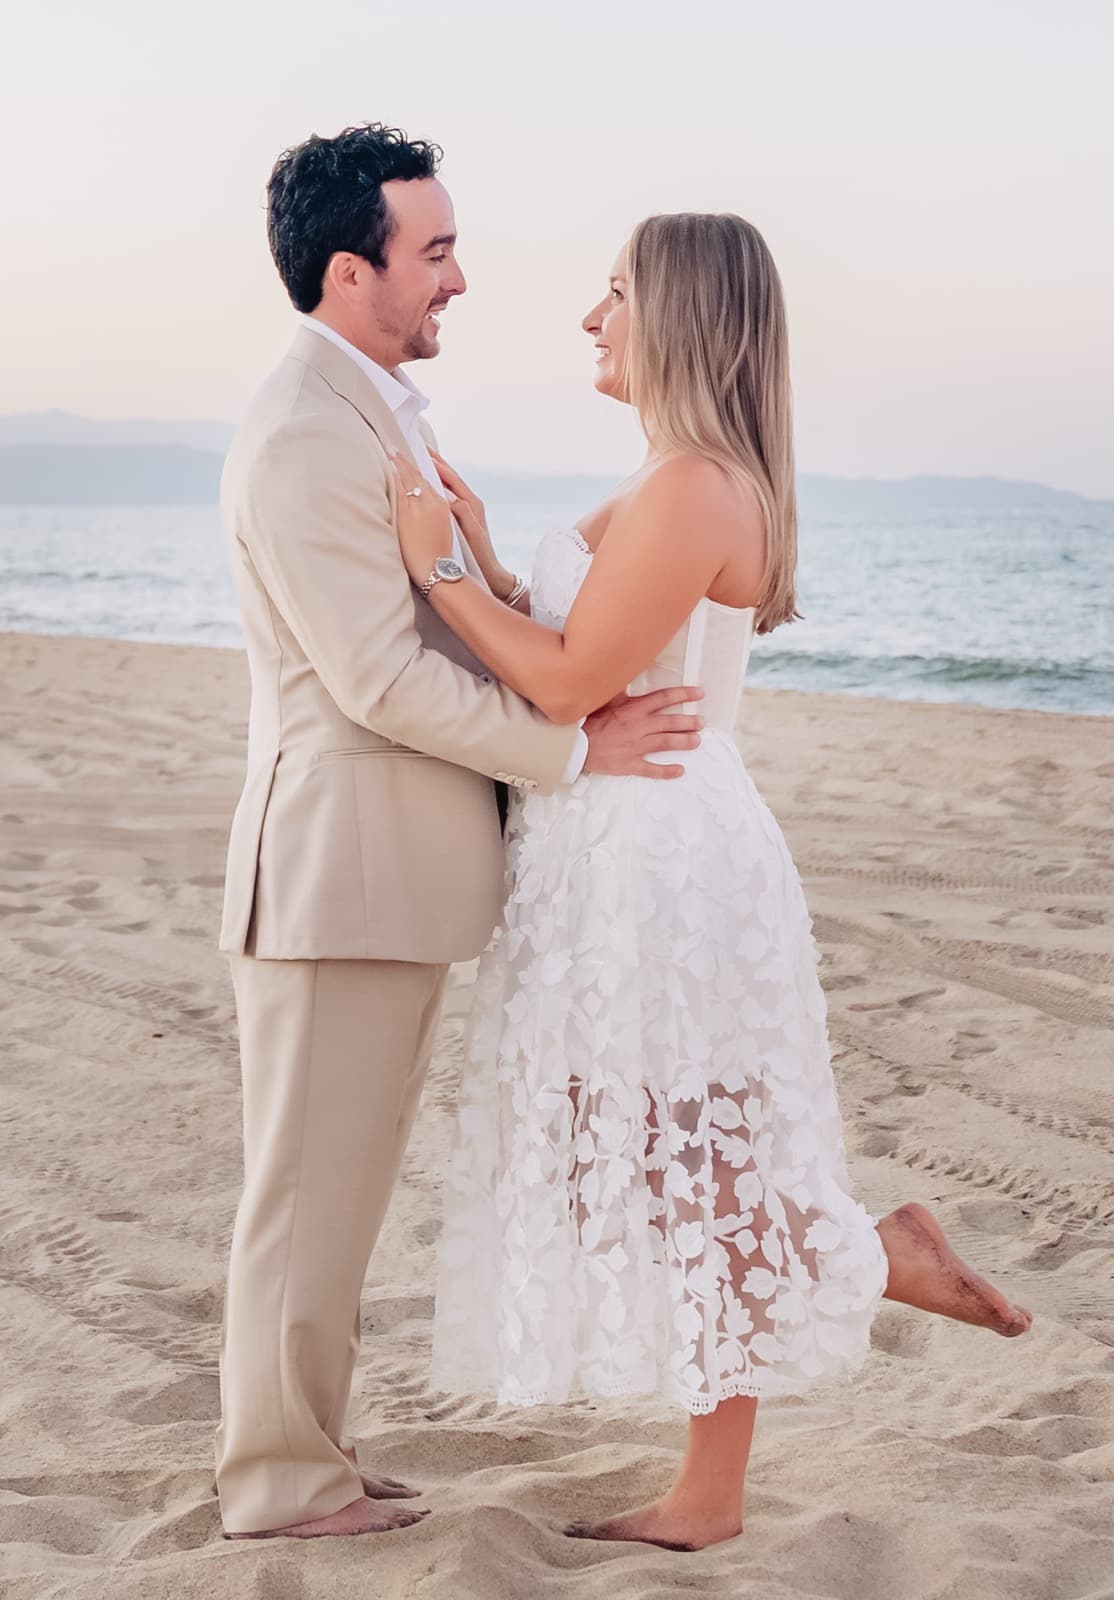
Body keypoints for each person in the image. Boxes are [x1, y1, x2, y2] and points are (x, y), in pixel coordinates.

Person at [393, 211, 1032, 1554]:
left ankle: (720, 1482)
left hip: (662, 855)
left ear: (679, 313)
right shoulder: (667, 481)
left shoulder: (695, 488)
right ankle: (872, 1257)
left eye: (612, 292)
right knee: (642, 1146)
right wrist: (493, 556)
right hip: (607, 840)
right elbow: (581, 645)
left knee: (694, 1157)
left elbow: (565, 683)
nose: (590, 318)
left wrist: (442, 573)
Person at [212, 125, 706, 1542]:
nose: (461, 280)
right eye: (434, 252)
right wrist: (568, 748)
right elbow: (376, 675)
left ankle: (315, 1454)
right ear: (350, 267)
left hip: (387, 883)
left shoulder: (374, 411)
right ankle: (280, 1484)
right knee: (304, 1198)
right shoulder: (309, 429)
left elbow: (444, 610)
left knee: (336, 1194)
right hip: (334, 883)